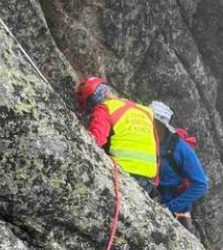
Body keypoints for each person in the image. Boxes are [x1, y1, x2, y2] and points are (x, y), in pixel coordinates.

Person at [76, 77, 157, 195]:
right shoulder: (145, 111)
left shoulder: (105, 108)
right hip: (148, 179)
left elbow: (96, 139)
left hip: (125, 172)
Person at [149, 100, 209, 231]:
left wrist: (171, 207)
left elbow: (201, 184)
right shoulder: (145, 138)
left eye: (153, 122)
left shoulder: (180, 149)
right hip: (153, 194)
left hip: (176, 205)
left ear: (161, 125)